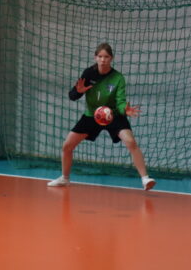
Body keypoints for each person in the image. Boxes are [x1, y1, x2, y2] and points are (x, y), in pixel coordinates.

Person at [46, 43, 155, 191]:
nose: (103, 60)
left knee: (130, 142)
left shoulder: (118, 78)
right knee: (67, 146)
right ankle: (65, 178)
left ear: (111, 58)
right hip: (92, 115)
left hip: (113, 115)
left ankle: (145, 179)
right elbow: (72, 95)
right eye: (100, 56)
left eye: (106, 57)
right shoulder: (88, 73)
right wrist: (78, 92)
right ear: (95, 58)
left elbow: (120, 101)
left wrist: (125, 110)